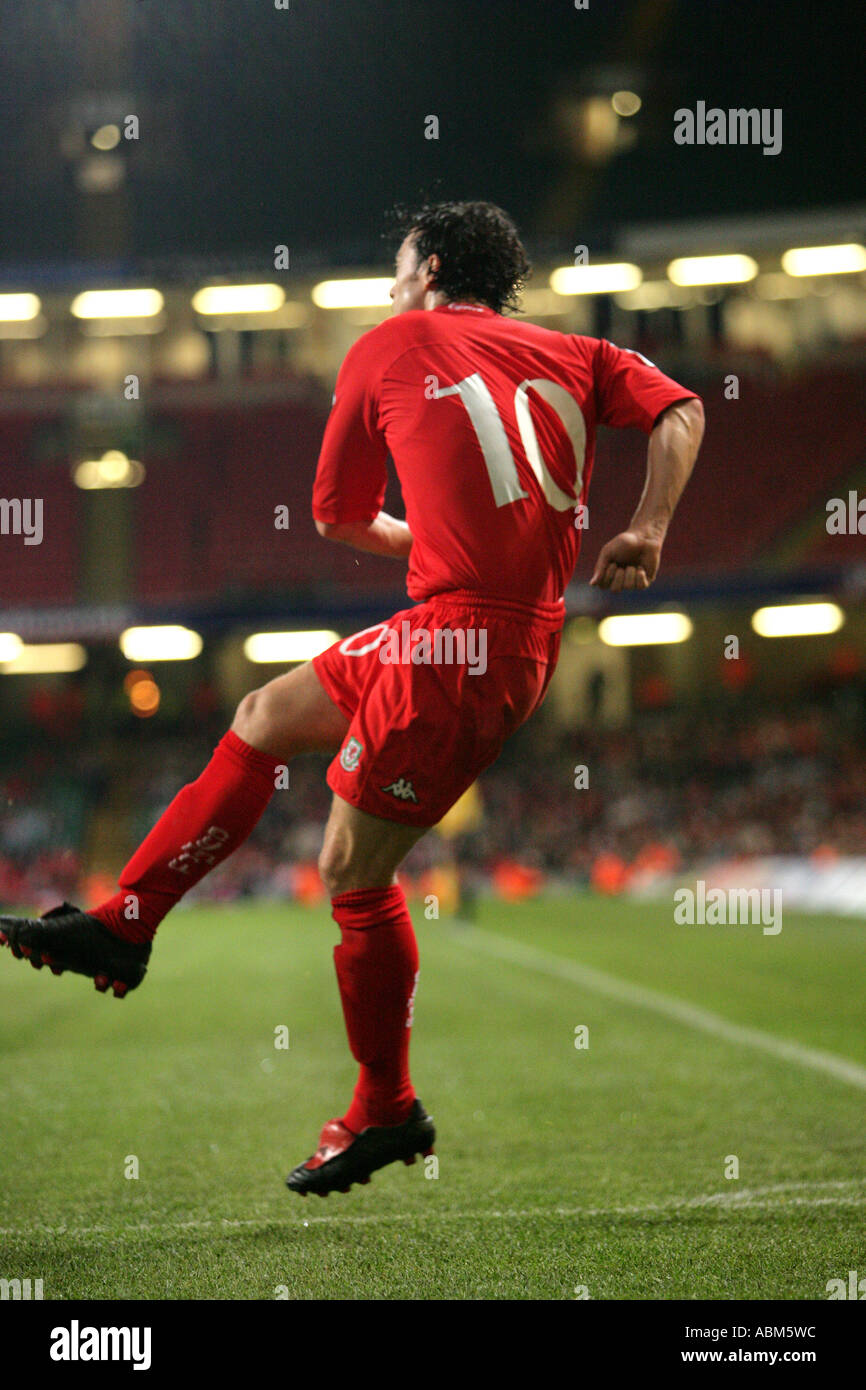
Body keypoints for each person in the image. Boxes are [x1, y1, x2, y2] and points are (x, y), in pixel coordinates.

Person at [0, 201, 704, 1196]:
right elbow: (684, 408)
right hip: (475, 631)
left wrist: (419, 544)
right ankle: (127, 919)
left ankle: (387, 1107)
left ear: (427, 270)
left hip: (456, 644)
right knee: (263, 717)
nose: (389, 281)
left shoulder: (388, 345)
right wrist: (649, 529)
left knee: (348, 870)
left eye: (396, 262)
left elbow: (333, 514)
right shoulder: (575, 351)